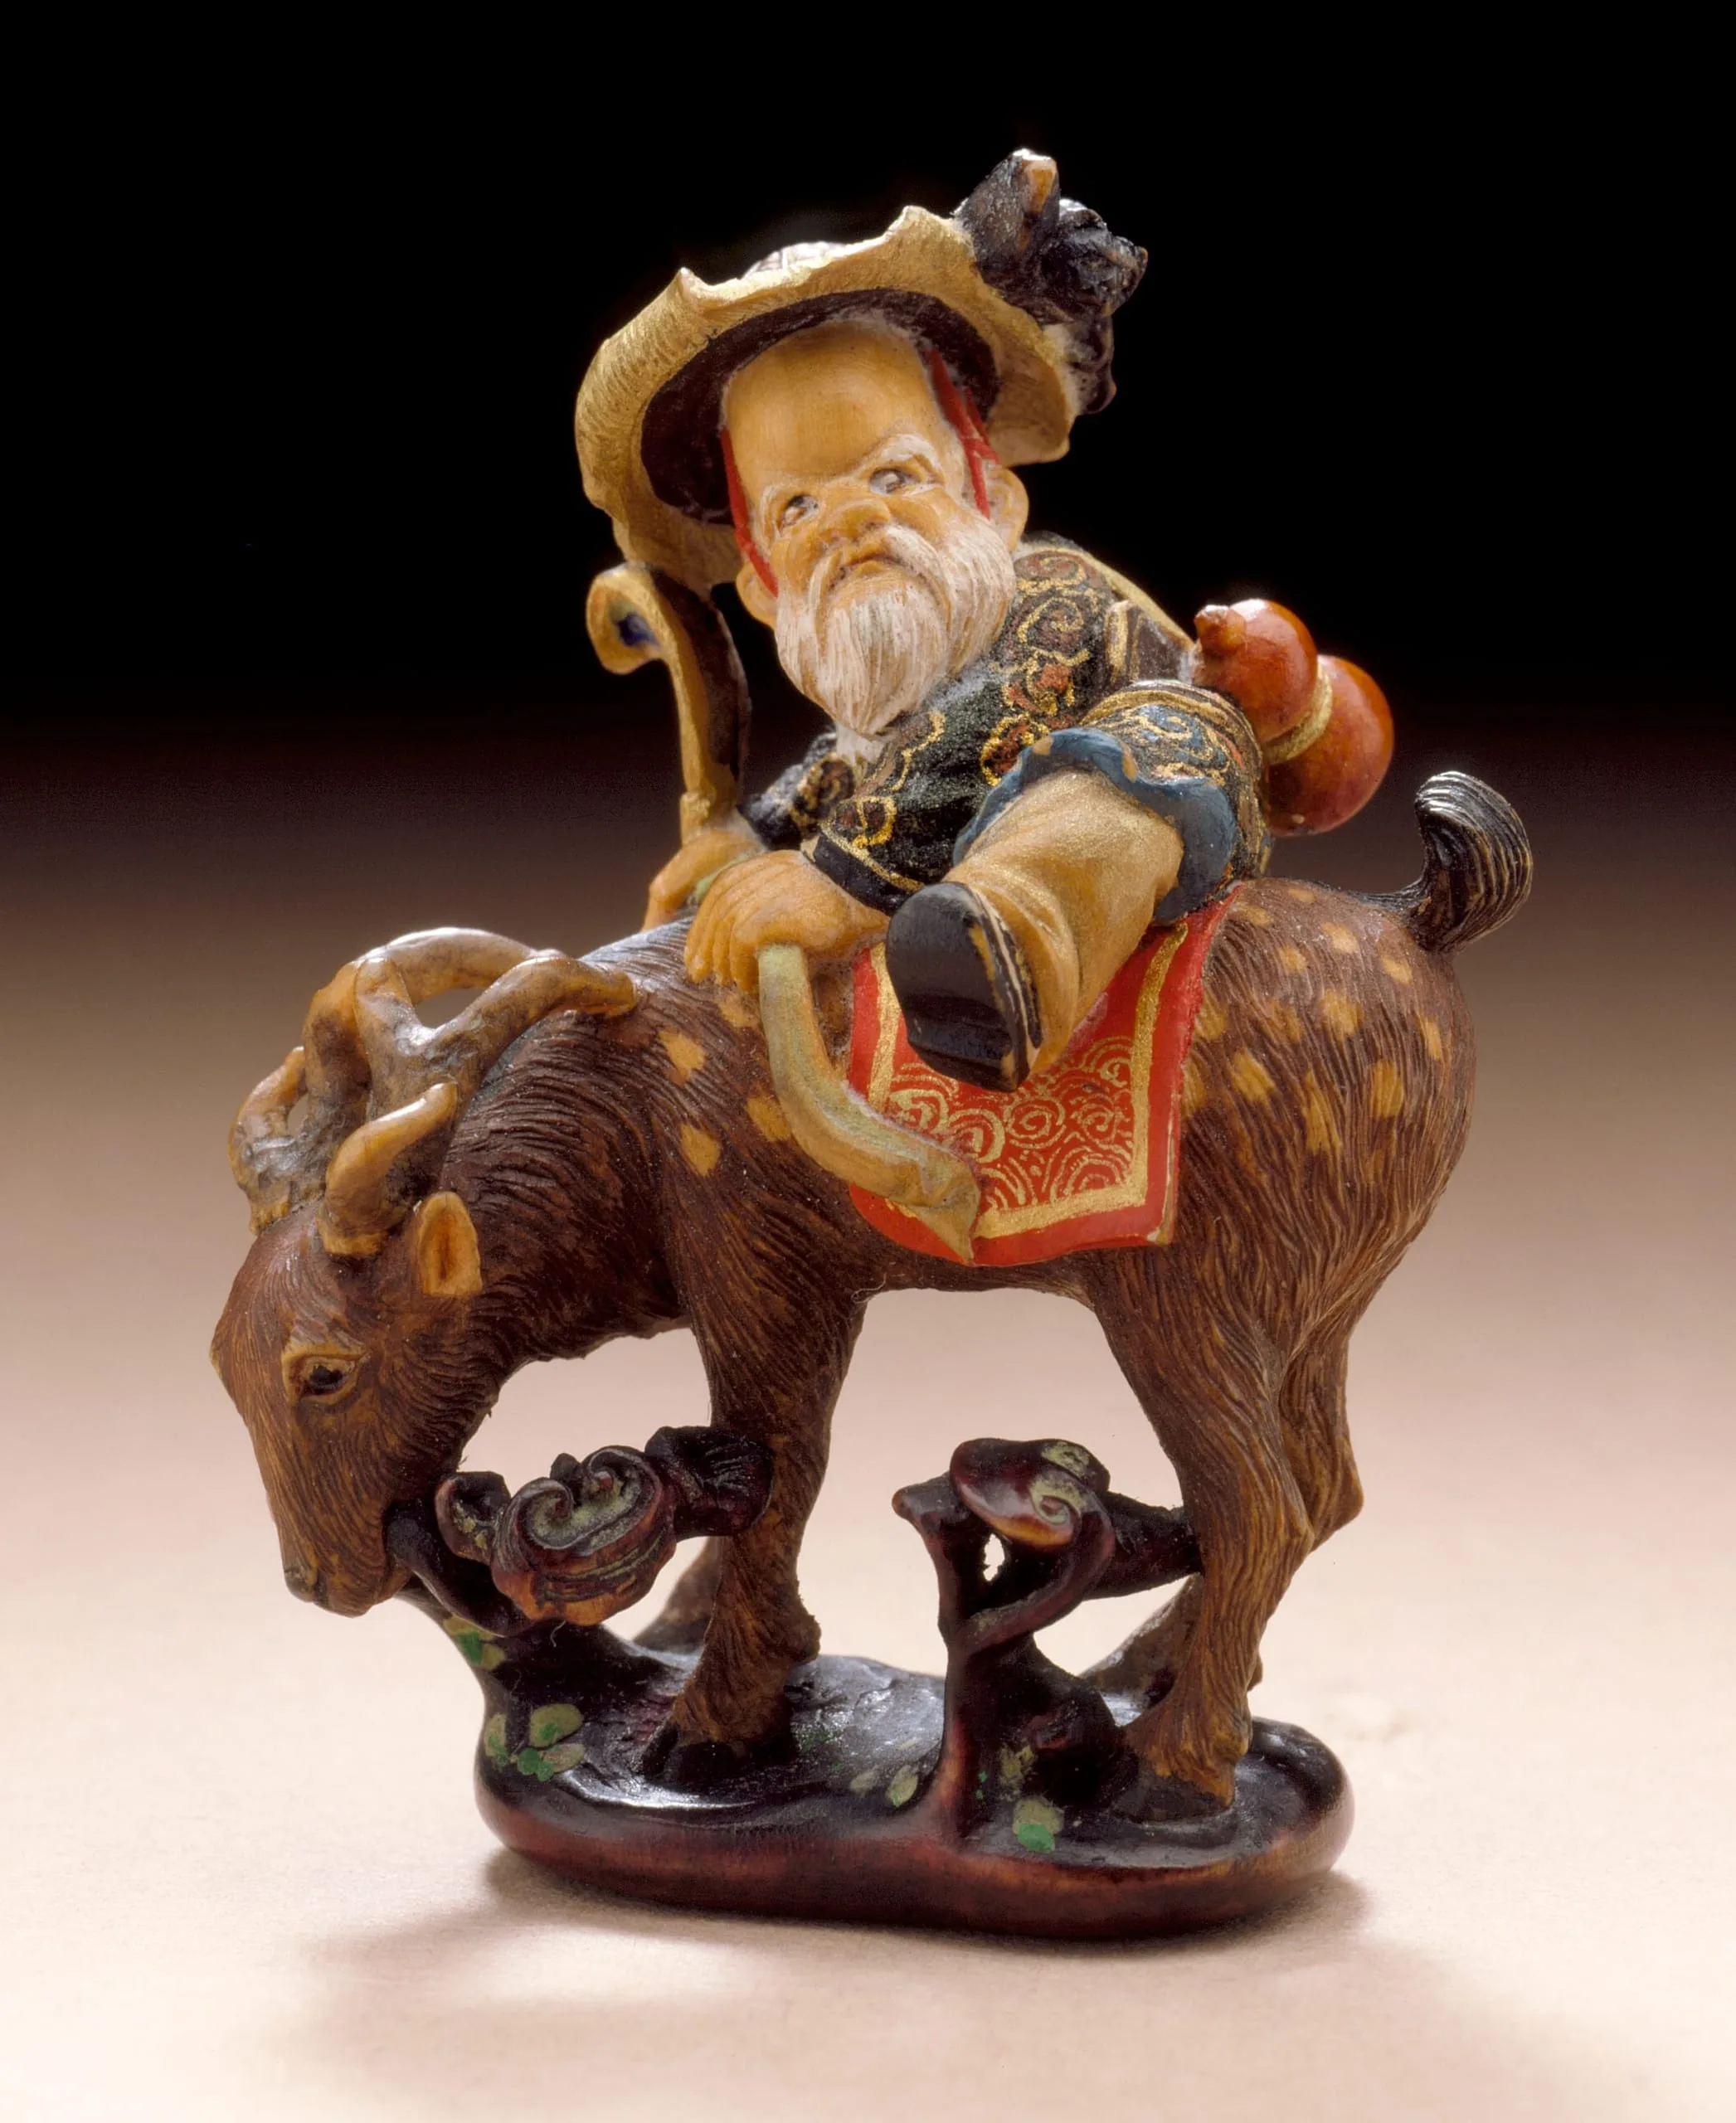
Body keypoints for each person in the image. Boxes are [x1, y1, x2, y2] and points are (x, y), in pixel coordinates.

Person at [576, 153, 1351, 1091]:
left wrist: (838, 880)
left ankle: (1003, 962)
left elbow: (982, 723)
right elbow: (855, 766)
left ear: (996, 505)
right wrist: (759, 835)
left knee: (1105, 785)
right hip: (947, 842)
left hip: (1170, 802)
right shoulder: (909, 691)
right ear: (763, 590)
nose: (850, 520)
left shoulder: (1053, 595)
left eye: (893, 475)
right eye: (796, 509)